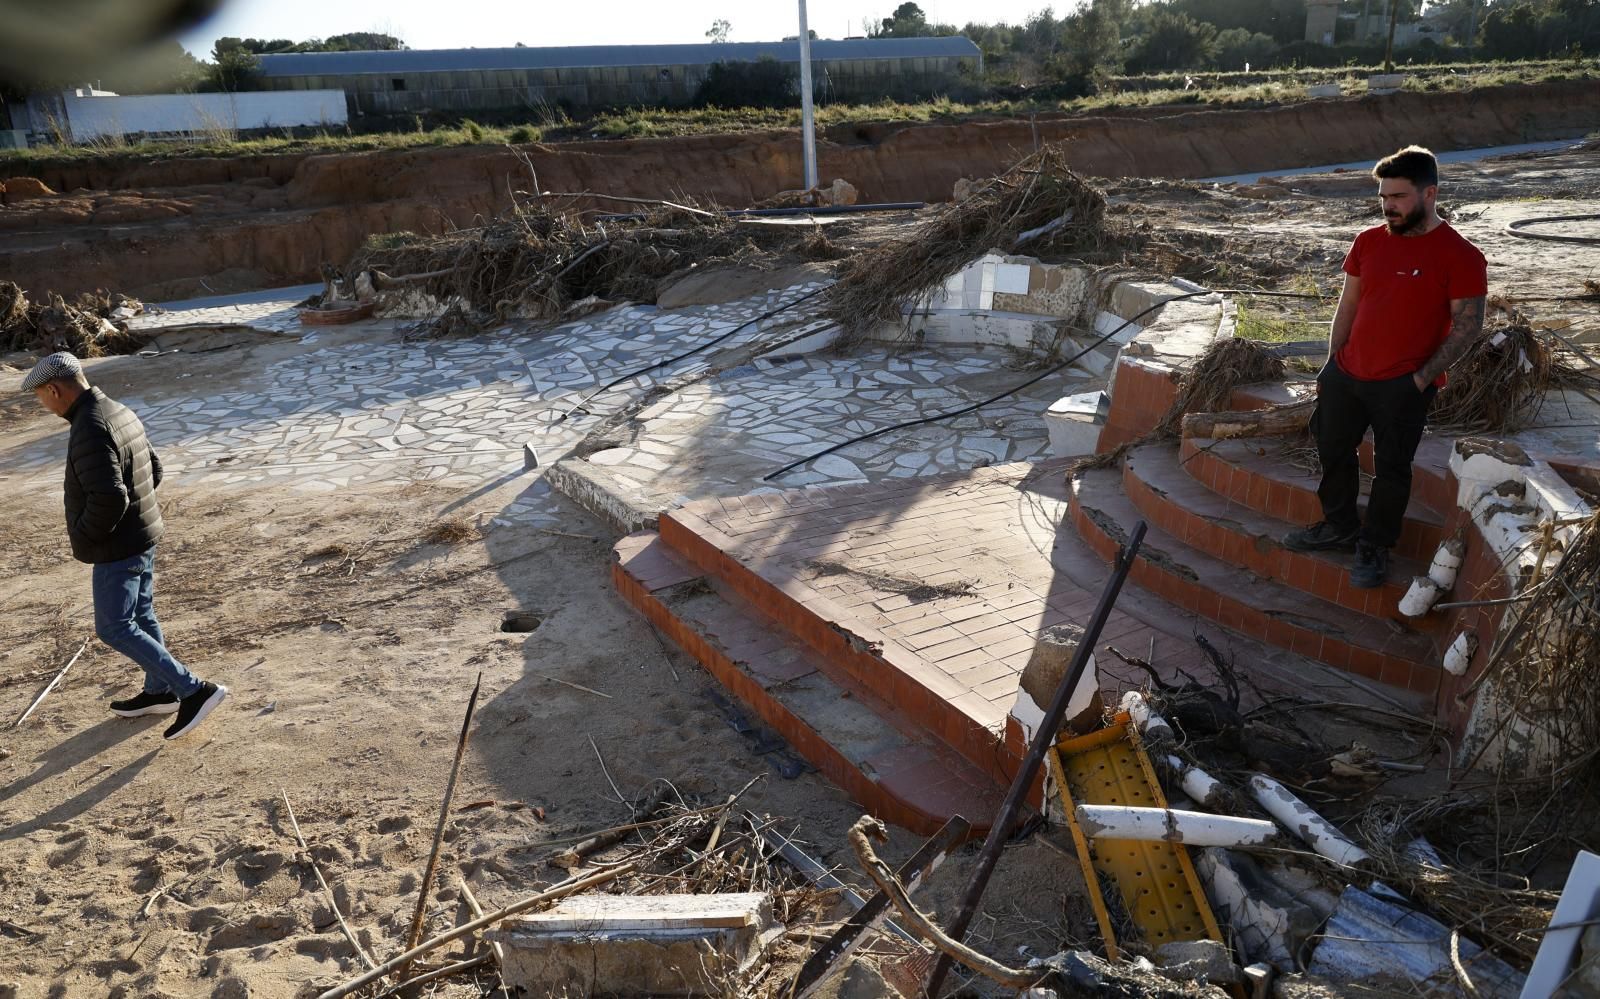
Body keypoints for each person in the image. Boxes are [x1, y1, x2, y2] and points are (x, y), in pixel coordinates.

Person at [1283, 145, 1487, 588]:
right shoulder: (1368, 242)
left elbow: (1468, 326)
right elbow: (1349, 303)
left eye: (1398, 197)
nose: (1388, 206)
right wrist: (1331, 365)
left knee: (1392, 468)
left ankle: (1374, 546)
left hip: (1403, 384)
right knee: (1332, 448)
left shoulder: (1461, 255)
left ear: (1429, 193)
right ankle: (1339, 527)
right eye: (1383, 198)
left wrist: (1419, 379)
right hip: (1348, 373)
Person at [22, 352, 227, 739]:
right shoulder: (116, 409)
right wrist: (139, 515)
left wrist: (84, 534)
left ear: (53, 389)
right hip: (141, 534)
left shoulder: (90, 426)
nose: (43, 405)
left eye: (40, 397)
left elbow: (110, 497)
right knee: (142, 615)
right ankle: (160, 690)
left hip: (118, 545)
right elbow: (153, 467)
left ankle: (195, 690)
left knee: (114, 626)